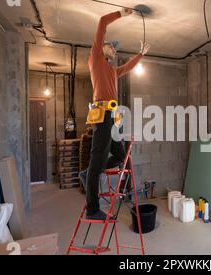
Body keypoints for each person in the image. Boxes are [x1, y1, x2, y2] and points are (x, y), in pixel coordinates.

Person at [85, 8, 150, 220]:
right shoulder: (94, 58)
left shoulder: (112, 71)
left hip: (113, 118)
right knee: (98, 160)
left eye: (115, 48)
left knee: (122, 156)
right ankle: (92, 208)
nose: (113, 49)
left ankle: (91, 172)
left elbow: (128, 67)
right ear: (100, 47)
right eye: (110, 46)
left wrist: (140, 55)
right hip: (102, 115)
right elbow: (102, 21)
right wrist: (121, 14)